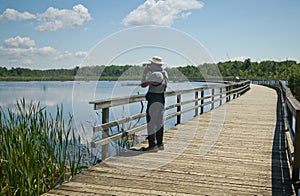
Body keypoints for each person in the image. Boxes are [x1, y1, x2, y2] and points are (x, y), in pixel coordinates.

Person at [141, 56, 168, 151]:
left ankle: (152, 145)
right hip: (161, 98)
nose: (150, 65)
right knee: (159, 122)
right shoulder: (164, 73)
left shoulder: (155, 74)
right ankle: (160, 144)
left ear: (155, 65)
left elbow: (143, 85)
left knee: (151, 123)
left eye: (151, 64)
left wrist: (145, 73)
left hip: (154, 99)